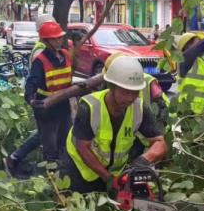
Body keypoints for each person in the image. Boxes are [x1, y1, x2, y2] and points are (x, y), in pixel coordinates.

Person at [60, 56, 168, 194]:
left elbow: (160, 143)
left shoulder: (139, 108)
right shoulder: (90, 107)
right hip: (79, 168)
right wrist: (108, 178)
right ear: (112, 87)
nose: (130, 98)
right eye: (125, 92)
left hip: (113, 170)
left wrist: (143, 161)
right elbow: (82, 147)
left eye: (135, 92)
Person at [17, 21, 73, 172]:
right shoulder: (41, 60)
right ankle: (50, 176)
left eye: (60, 37)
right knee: (49, 145)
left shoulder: (65, 55)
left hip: (63, 105)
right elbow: (31, 82)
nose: (59, 40)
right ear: (46, 41)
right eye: (55, 38)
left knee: (65, 141)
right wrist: (31, 99)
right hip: (46, 106)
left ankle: (62, 173)